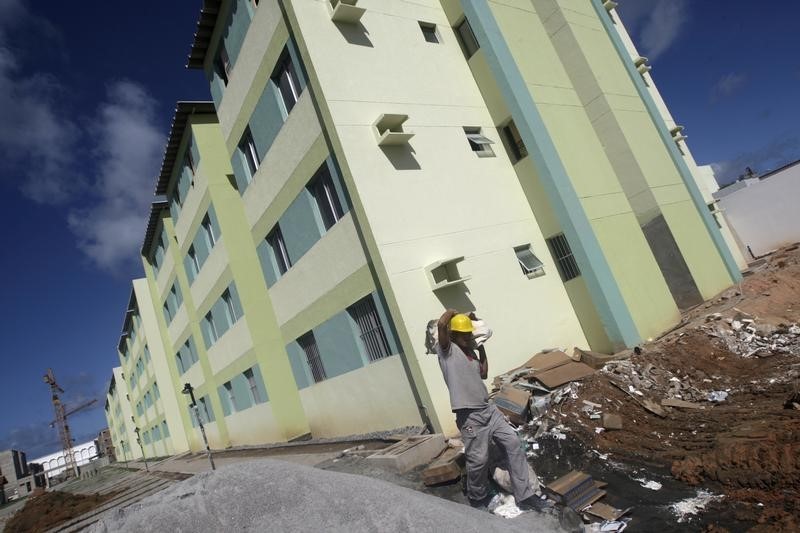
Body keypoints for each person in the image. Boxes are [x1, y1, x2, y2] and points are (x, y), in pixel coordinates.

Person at [436, 309, 539, 510]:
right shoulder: (447, 352)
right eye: (464, 334)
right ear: (454, 335)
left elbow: (484, 373)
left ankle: (525, 495)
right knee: (478, 460)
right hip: (469, 415)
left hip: (489, 410)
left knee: (513, 443)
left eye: (469, 334)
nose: (468, 337)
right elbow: (441, 325)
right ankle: (477, 497)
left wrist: (481, 348)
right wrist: (455, 313)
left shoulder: (471, 354)